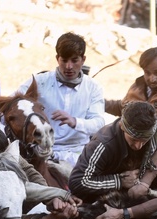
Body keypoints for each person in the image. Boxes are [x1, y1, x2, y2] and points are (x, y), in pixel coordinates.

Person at [16, 32, 105, 167]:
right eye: (64, 60)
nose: (69, 67)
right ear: (57, 58)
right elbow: (13, 102)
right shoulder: (40, 81)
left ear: (83, 59)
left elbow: (98, 124)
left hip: (78, 155)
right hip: (42, 153)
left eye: (74, 61)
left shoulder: (93, 87)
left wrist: (75, 122)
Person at [104, 46, 157, 140]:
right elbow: (123, 107)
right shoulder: (138, 85)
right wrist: (101, 103)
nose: (152, 78)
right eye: (147, 73)